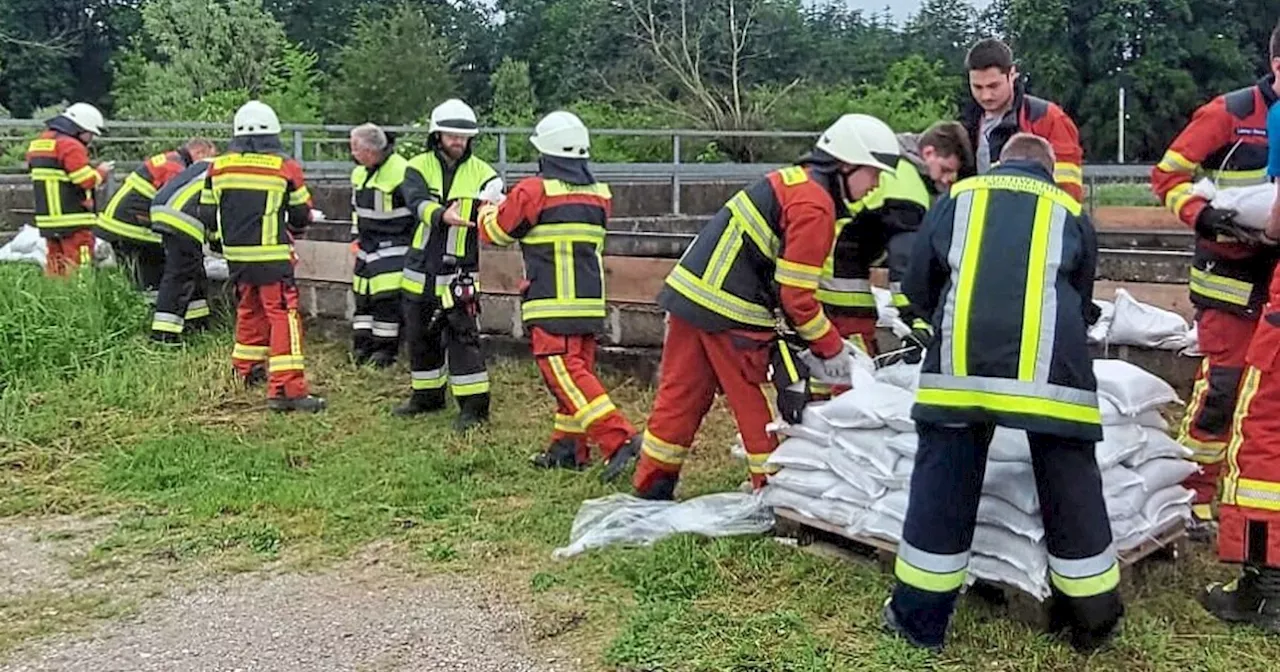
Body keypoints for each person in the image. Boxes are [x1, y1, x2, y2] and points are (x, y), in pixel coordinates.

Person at [884, 134, 1120, 653]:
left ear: (1000, 163)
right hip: (1050, 381)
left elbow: (919, 285)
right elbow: (1080, 303)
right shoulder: (1072, 211)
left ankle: (918, 622)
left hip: (959, 373)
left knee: (942, 489)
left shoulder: (957, 199)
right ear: (1050, 170)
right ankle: (1090, 623)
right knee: (1072, 491)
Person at [631, 114, 901, 501]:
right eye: (873, 172)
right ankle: (773, 491)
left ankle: (652, 484)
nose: (875, 184)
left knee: (680, 394)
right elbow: (797, 297)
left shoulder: (794, 182)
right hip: (731, 307)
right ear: (846, 164)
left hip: (691, 296)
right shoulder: (816, 205)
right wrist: (833, 348)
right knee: (751, 402)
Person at [1151, 23, 1280, 536]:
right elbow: (1167, 175)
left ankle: (1247, 496)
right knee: (1225, 385)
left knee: (1266, 395)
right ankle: (1195, 492)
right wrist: (1204, 216)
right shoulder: (1229, 113)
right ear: (1275, 65)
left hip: (1274, 275)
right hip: (1229, 271)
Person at [477, 111, 641, 478]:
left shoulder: (534, 191)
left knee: (564, 375)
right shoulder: (600, 194)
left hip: (553, 301)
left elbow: (496, 233)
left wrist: (487, 205)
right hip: (588, 302)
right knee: (575, 374)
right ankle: (567, 448)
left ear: (545, 153)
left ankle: (620, 440)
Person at [1199, 23, 1280, 634]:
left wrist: (1254, 225)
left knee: (1260, 436)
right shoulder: (1230, 114)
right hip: (1237, 288)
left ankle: (1264, 590)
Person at [203, 100, 325, 412]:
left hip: (236, 258)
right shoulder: (284, 167)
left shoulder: (218, 166)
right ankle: (287, 389)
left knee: (249, 310)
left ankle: (245, 370)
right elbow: (300, 213)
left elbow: (207, 213)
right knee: (283, 317)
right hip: (272, 258)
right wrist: (297, 228)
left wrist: (219, 245)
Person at [818, 121, 974, 364]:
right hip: (839, 264)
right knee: (854, 346)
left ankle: (818, 399)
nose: (946, 181)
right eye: (945, 170)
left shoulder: (896, 166)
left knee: (835, 352)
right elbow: (905, 262)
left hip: (830, 257)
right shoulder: (908, 188)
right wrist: (919, 320)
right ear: (928, 153)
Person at [396, 99, 502, 431]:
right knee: (419, 336)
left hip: (460, 271)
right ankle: (426, 397)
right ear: (437, 135)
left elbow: (498, 208)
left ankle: (474, 409)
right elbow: (415, 202)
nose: (458, 141)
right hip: (421, 269)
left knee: (463, 338)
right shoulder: (417, 166)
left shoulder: (485, 173)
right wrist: (443, 214)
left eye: (464, 136)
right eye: (451, 135)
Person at [348, 123, 432, 368]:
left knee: (387, 301)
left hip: (395, 245)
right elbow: (357, 210)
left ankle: (385, 352)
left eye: (355, 148)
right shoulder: (360, 173)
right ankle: (362, 346)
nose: (352, 153)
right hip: (367, 246)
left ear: (371, 151)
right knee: (363, 299)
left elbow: (418, 210)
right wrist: (355, 237)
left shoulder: (402, 172)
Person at [961, 38, 1084, 202]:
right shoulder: (967, 125)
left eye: (993, 86)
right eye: (977, 87)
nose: (986, 96)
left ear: (1012, 74)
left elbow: (1068, 193)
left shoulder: (1048, 118)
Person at [97, 139, 218, 295]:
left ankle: (137, 309)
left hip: (119, 224)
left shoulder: (168, 159)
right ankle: (149, 312)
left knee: (136, 279)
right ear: (200, 152)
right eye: (209, 158)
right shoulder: (175, 169)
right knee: (152, 280)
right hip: (133, 229)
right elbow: (175, 204)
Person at [24, 103, 115, 277]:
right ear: (81, 127)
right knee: (79, 268)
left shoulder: (39, 143)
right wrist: (101, 172)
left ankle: (56, 300)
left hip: (48, 220)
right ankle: (80, 301)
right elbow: (85, 180)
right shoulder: (70, 146)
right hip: (73, 219)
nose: (91, 139)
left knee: (55, 268)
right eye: (91, 134)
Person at [149, 154, 217, 342]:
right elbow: (221, 213)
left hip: (163, 209)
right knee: (180, 274)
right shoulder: (231, 172)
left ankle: (197, 324)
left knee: (193, 270)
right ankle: (163, 335)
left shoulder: (211, 163)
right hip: (183, 217)